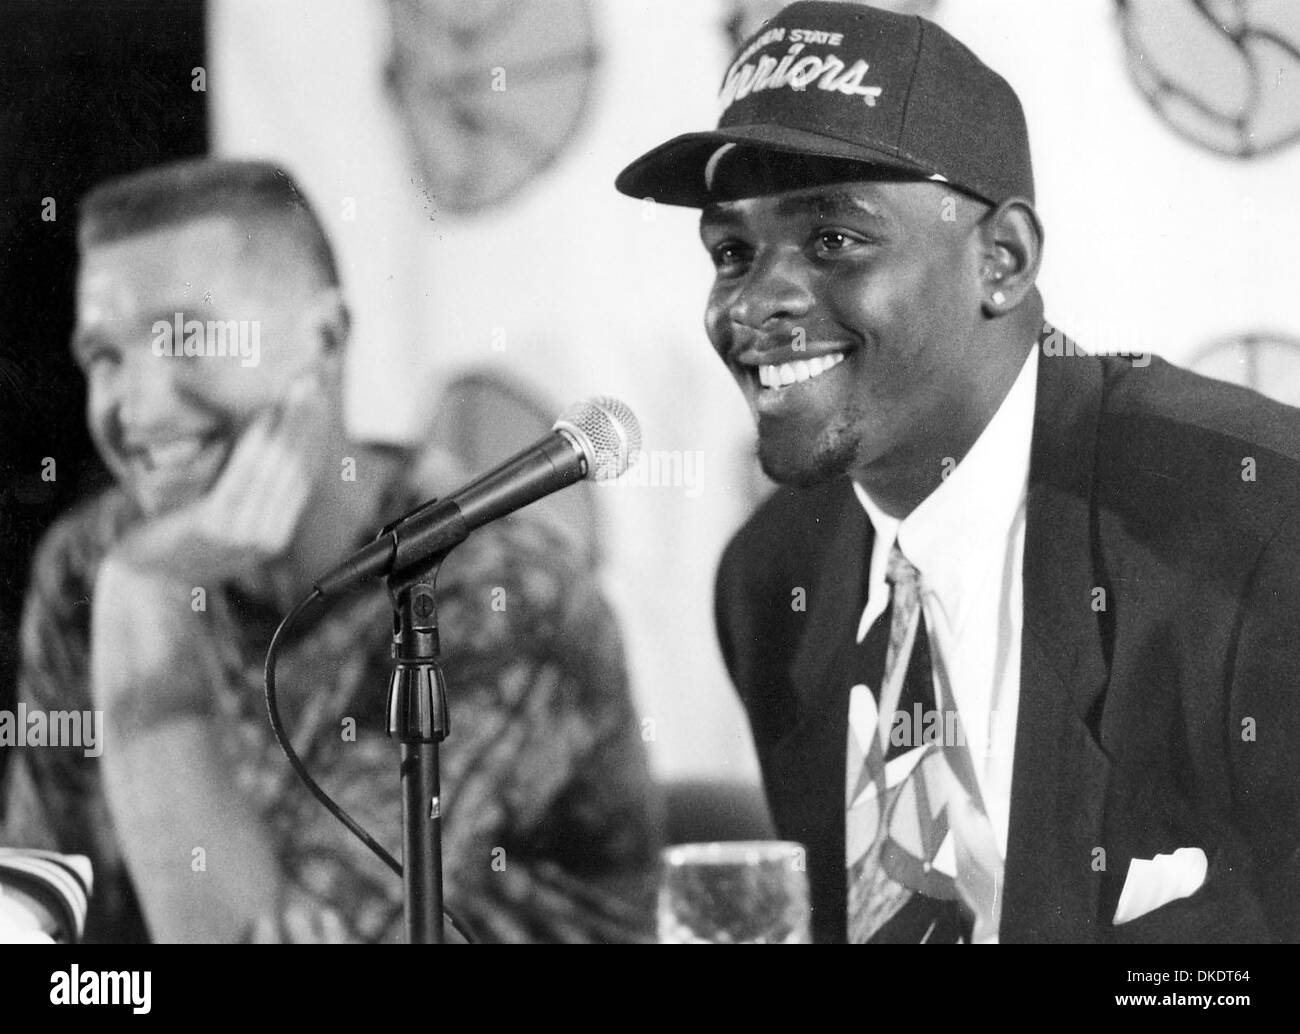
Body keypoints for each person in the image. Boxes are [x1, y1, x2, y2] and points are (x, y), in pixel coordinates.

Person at [616, 0, 1300, 943]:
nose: (757, 301)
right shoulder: (770, 584)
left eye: (833, 239)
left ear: (1003, 261)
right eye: (733, 252)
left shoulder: (1258, 528)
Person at [0, 158, 660, 943]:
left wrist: (148, 601)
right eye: (104, 357)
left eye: (184, 337)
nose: (134, 408)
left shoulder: (499, 588)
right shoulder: (93, 560)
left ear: (325, 337)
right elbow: (38, 917)